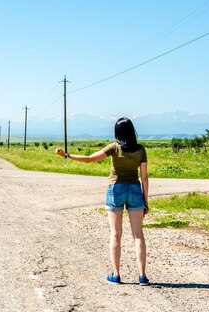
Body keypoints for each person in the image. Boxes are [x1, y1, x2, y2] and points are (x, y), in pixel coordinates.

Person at [54, 117, 149, 286]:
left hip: (116, 189)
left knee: (115, 234)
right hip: (135, 190)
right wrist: (145, 200)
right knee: (138, 235)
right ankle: (142, 276)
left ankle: (116, 275)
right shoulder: (141, 149)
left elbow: (91, 159)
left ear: (117, 132)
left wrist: (67, 156)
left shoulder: (114, 147)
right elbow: (144, 177)